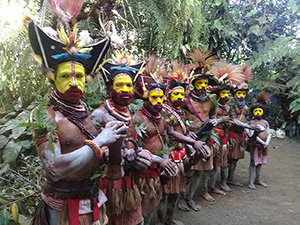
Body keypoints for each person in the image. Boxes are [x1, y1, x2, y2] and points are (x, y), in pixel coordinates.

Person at [28, 22, 127, 225]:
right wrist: (100, 142)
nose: (74, 82)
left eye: (79, 76)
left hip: (91, 198)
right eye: (66, 76)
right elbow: (54, 169)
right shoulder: (45, 117)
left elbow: (109, 161)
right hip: (62, 206)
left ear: (87, 80)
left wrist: (117, 148)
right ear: (53, 79)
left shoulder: (90, 115)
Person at [91, 51, 152, 225]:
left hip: (130, 179)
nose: (126, 90)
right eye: (120, 85)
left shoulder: (129, 112)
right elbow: (93, 148)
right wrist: (121, 155)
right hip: (110, 182)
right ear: (110, 89)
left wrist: (143, 155)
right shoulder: (99, 115)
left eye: (129, 85)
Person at [158, 61, 210, 225]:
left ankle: (169, 219)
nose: (180, 98)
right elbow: (171, 132)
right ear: (169, 95)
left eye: (182, 95)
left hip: (181, 154)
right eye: (176, 95)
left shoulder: (182, 112)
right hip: (169, 154)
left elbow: (184, 131)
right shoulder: (165, 111)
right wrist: (192, 142)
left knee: (176, 190)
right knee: (164, 191)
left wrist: (191, 136)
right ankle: (159, 221)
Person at [129, 56, 178, 225]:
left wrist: (166, 159)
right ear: (145, 98)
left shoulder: (162, 118)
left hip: (157, 171)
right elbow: (133, 149)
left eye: (161, 98)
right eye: (154, 98)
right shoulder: (137, 118)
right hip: (141, 173)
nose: (159, 102)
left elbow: (164, 140)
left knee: (153, 203)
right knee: (140, 209)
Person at [180, 49, 227, 209]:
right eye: (200, 83)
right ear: (194, 84)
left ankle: (190, 198)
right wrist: (187, 131)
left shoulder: (211, 101)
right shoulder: (185, 100)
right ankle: (181, 199)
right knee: (189, 171)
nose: (203, 86)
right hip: (190, 139)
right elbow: (178, 116)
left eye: (205, 84)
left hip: (207, 138)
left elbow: (213, 116)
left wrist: (215, 123)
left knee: (201, 171)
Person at [211, 62, 245, 192]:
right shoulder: (214, 105)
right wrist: (221, 119)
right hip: (214, 137)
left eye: (227, 94)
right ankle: (210, 187)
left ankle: (223, 182)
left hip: (225, 138)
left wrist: (245, 127)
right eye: (223, 93)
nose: (225, 96)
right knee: (213, 164)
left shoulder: (229, 106)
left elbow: (232, 120)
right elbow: (211, 120)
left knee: (224, 162)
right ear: (218, 93)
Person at [227, 64, 254, 186]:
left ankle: (230, 178)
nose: (241, 96)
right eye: (239, 93)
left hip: (240, 135)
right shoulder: (230, 105)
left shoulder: (245, 107)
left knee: (235, 158)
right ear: (234, 94)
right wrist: (247, 127)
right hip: (231, 134)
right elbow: (231, 119)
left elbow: (245, 119)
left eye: (243, 94)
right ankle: (223, 181)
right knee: (227, 158)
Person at [248, 91, 272, 189]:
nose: (258, 113)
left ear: (263, 112)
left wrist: (266, 143)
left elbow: (269, 133)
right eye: (256, 111)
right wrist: (262, 142)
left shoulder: (265, 122)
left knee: (260, 162)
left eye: (260, 111)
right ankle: (250, 182)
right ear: (253, 112)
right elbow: (252, 134)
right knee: (253, 162)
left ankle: (257, 179)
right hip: (255, 145)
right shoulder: (252, 122)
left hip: (264, 146)